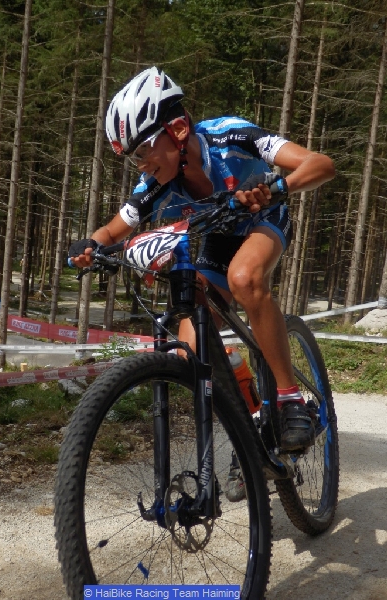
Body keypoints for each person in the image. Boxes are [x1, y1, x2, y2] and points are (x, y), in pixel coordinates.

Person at [69, 67, 335, 451]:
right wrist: (87, 247)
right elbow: (111, 232)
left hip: (265, 217)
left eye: (142, 151)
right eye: (132, 158)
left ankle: (290, 399)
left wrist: (278, 187)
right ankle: (254, 423)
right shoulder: (154, 184)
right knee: (189, 346)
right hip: (219, 237)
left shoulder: (231, 135)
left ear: (177, 130)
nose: (140, 164)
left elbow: (320, 164)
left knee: (244, 278)